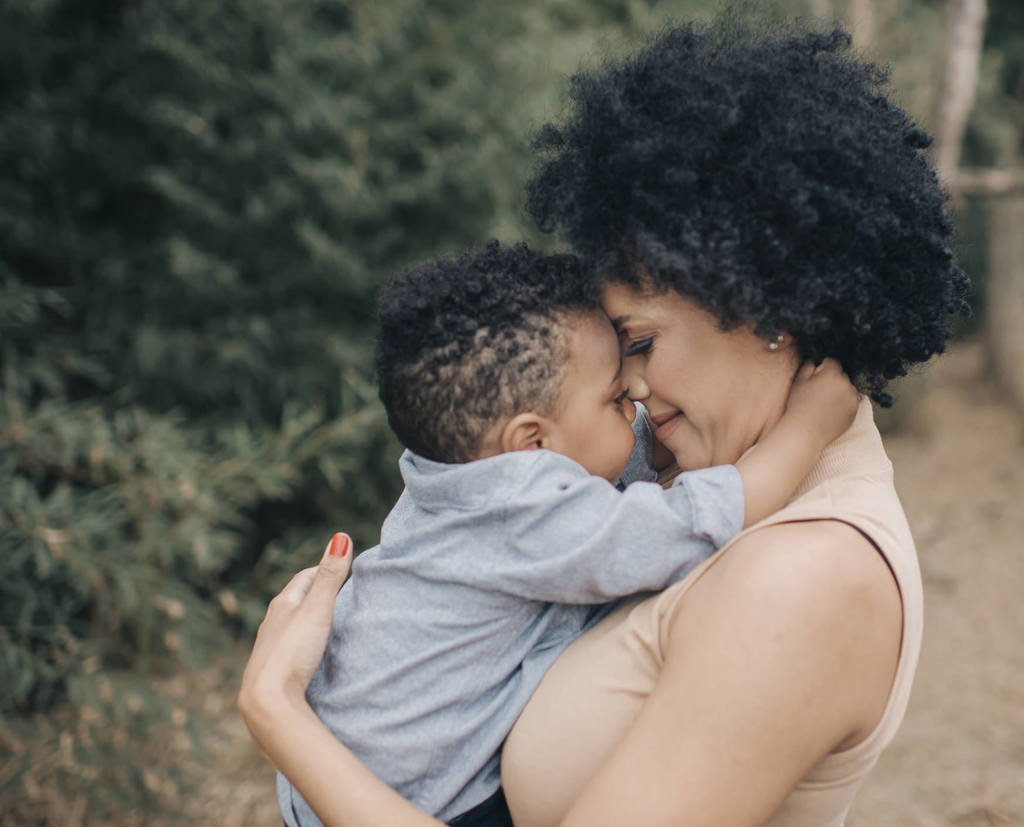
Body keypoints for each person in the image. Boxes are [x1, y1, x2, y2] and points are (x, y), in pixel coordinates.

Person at [240, 18, 969, 827]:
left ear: (767, 304)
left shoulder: (803, 577)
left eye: (642, 343)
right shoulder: (681, 466)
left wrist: (280, 714)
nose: (634, 389)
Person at [275, 241, 859, 826]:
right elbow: (686, 526)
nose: (634, 395)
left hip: (333, 763)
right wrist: (806, 429)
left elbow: (591, 468)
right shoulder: (521, 511)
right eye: (612, 398)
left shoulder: (460, 478)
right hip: (422, 798)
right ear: (531, 445)